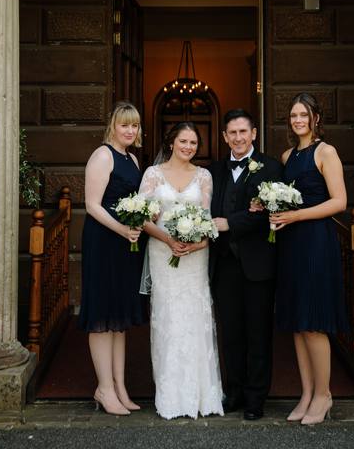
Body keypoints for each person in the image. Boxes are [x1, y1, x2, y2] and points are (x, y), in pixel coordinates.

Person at [268, 92, 348, 425]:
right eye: (293, 116)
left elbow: (339, 201)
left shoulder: (326, 152)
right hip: (291, 244)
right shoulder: (287, 156)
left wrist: (298, 216)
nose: (298, 120)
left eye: (304, 115)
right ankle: (306, 393)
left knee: (314, 323)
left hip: (316, 241)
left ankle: (324, 395)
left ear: (316, 117)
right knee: (298, 325)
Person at [138, 122, 223, 419]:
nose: (188, 147)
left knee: (195, 318)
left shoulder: (204, 176)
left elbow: (206, 217)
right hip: (163, 253)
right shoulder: (152, 174)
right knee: (168, 319)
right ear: (171, 142)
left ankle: (202, 395)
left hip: (194, 256)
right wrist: (168, 239)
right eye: (183, 141)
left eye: (193, 143)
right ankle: (171, 396)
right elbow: (142, 217)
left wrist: (196, 244)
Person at [209, 109, 283, 421]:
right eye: (232, 133)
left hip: (257, 264)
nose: (238, 138)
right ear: (225, 137)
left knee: (258, 333)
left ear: (253, 133)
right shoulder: (213, 171)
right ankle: (235, 392)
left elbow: (269, 212)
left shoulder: (271, 168)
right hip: (224, 264)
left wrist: (229, 223)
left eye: (243, 132)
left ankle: (256, 398)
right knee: (231, 333)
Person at [79, 102, 147, 415]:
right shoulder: (102, 155)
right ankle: (104, 388)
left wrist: (134, 227)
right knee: (102, 316)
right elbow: (92, 205)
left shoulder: (132, 159)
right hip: (104, 241)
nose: (130, 131)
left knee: (119, 320)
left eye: (134, 126)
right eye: (124, 125)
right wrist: (122, 229)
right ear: (113, 126)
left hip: (125, 243)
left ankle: (120, 387)